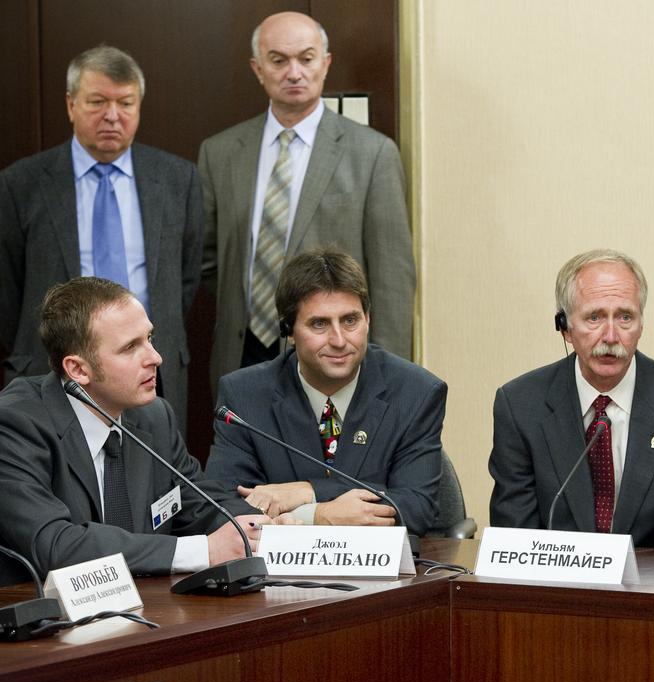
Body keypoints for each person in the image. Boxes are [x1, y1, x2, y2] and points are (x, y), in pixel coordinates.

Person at [198, 11, 415, 389]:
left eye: (306, 58)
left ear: (326, 63)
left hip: (334, 355)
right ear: (257, 68)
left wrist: (388, 378)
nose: (294, 72)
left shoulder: (373, 153)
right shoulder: (220, 153)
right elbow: (210, 262)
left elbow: (392, 279)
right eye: (279, 60)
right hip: (243, 354)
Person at [0, 278, 263, 585]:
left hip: (148, 613)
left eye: (149, 338)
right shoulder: (15, 425)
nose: (155, 358)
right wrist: (203, 550)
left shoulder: (154, 416)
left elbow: (199, 501)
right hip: (44, 621)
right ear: (78, 370)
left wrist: (257, 528)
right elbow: (57, 546)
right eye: (130, 347)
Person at [0, 46, 201, 428]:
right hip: (52, 368)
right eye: (97, 102)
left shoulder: (178, 179)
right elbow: (7, 291)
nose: (112, 116)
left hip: (151, 371)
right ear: (71, 104)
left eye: (125, 103)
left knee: (153, 481)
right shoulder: (21, 184)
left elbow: (185, 280)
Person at [488, 248, 654, 550]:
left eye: (625, 317)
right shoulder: (520, 407)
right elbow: (516, 540)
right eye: (594, 318)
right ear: (565, 328)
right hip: (555, 591)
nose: (611, 336)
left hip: (652, 590)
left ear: (641, 325)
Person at [206, 247, 446, 535]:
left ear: (367, 318)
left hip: (386, 573)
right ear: (289, 330)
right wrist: (316, 515)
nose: (339, 340)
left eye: (350, 320)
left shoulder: (415, 392)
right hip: (278, 574)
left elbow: (416, 507)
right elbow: (220, 506)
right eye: (319, 324)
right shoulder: (244, 395)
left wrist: (307, 492)